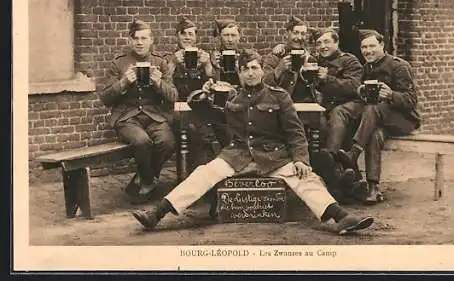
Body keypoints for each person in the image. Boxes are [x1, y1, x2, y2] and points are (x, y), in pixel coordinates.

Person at [131, 48, 374, 235]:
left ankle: (342, 218)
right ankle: (156, 214)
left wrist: (301, 159)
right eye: (245, 68)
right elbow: (207, 112)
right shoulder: (231, 96)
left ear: (261, 70)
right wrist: (201, 94)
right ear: (239, 72)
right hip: (237, 156)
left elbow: (295, 133)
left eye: (255, 67)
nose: (250, 72)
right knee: (203, 173)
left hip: (274, 157)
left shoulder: (280, 97)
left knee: (305, 179)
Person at [337, 30, 421, 204]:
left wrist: (391, 95)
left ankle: (354, 152)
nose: (368, 51)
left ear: (382, 45)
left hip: (403, 119)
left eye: (372, 46)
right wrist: (360, 91)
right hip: (378, 120)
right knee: (374, 134)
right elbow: (362, 92)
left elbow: (411, 100)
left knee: (372, 109)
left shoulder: (399, 66)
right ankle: (373, 188)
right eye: (364, 47)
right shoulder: (367, 67)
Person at [99, 19, 178, 202]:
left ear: (151, 41)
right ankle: (148, 182)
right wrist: (124, 82)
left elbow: (173, 96)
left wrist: (159, 84)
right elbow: (105, 98)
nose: (139, 42)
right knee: (142, 141)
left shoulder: (160, 63)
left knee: (168, 142)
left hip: (154, 116)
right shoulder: (119, 64)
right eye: (136, 38)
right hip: (127, 118)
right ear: (130, 41)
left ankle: (142, 178)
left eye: (144, 38)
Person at [307, 27, 367, 200]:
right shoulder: (315, 62)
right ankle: (340, 177)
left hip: (350, 106)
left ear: (336, 42)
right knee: (318, 125)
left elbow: (354, 87)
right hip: (327, 109)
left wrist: (328, 79)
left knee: (336, 117)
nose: (323, 46)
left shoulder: (349, 61)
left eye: (327, 42)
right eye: (319, 43)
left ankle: (332, 160)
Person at [262, 16, 320, 103]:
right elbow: (263, 85)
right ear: (286, 34)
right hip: (281, 105)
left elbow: (318, 87)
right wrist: (279, 69)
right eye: (295, 33)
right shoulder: (274, 58)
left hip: (307, 106)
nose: (299, 37)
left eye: (303, 34)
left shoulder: (310, 58)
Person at [210, 19, 243, 87]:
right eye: (226, 35)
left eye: (233, 35)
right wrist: (216, 68)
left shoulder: (245, 57)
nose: (230, 40)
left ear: (239, 37)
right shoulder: (212, 58)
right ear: (220, 37)